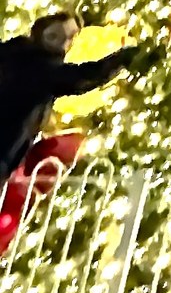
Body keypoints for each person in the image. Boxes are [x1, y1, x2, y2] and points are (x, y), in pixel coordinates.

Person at [1, 14, 139, 180]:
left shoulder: (14, 54)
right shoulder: (39, 66)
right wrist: (121, 59)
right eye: (56, 34)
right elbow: (81, 77)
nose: (63, 40)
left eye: (70, 36)